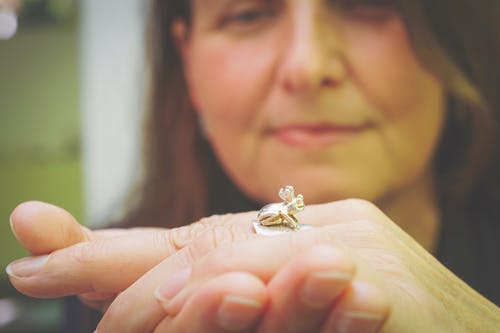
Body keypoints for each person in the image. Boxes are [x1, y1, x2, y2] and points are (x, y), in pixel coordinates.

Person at [6, 0, 500, 332]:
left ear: (452, 44)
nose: (306, 67)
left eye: (367, 2)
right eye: (247, 14)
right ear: (189, 63)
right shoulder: (108, 286)